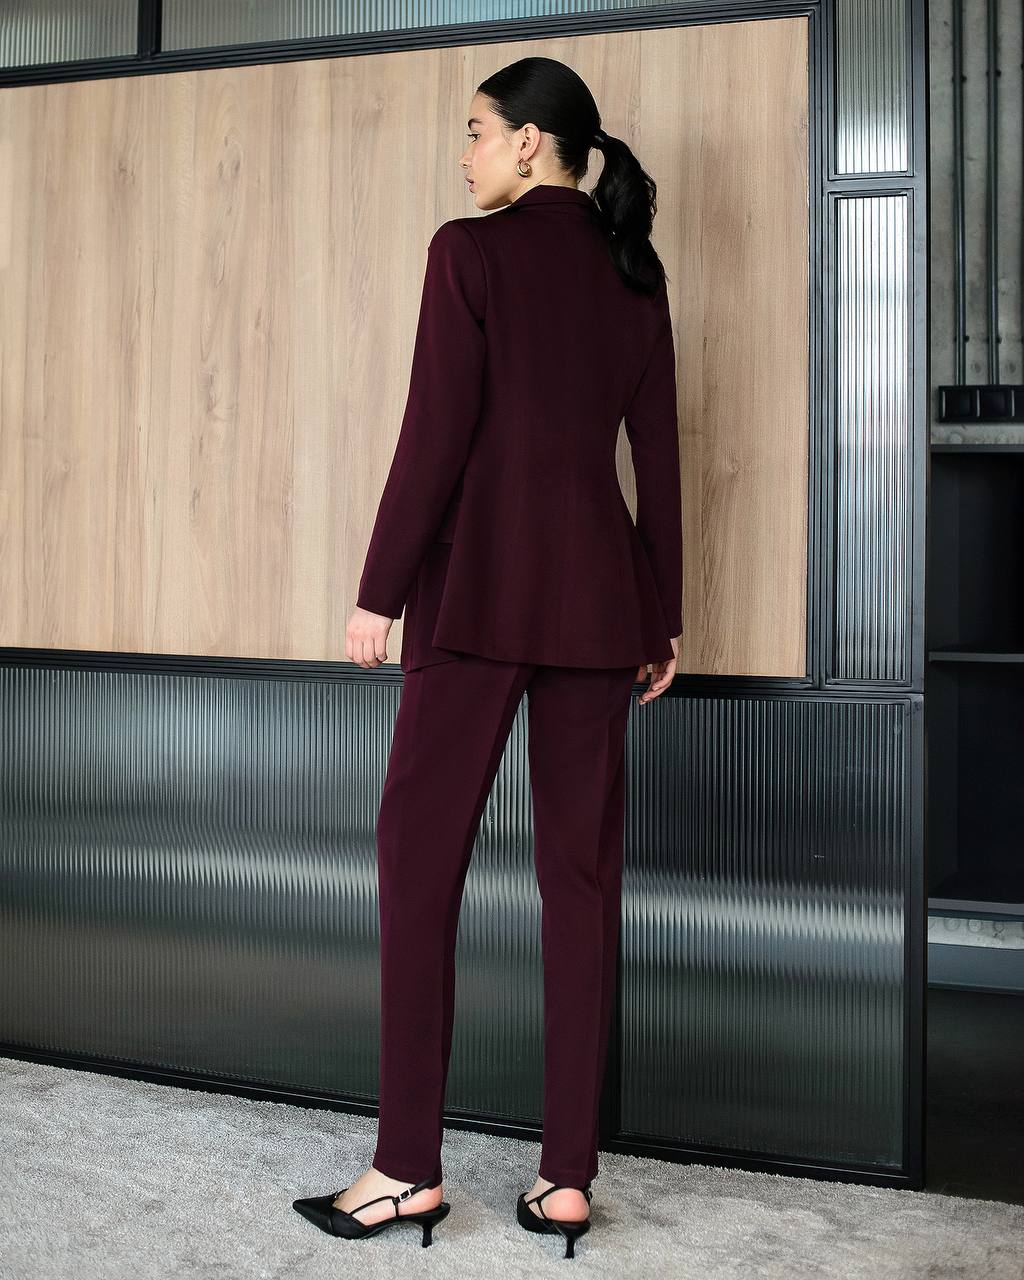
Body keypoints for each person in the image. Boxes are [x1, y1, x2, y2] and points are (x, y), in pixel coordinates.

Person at [293, 55, 682, 1257]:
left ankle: (406, 1166)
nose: (462, 154)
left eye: (474, 131)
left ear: (528, 142)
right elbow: (658, 455)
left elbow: (435, 433)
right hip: (600, 608)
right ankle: (565, 1179)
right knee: (581, 883)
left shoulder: (467, 253)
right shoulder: (633, 269)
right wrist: (662, 613)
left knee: (419, 866)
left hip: (474, 598)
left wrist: (376, 591)